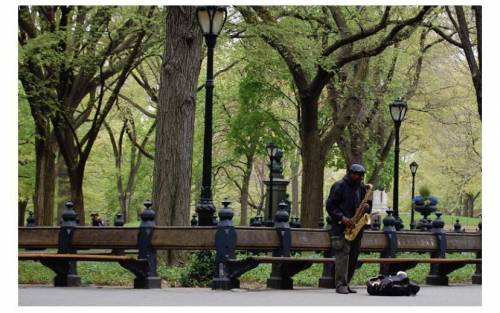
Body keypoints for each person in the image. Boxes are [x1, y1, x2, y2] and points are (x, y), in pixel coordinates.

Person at [326, 164, 372, 294]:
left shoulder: (361, 188)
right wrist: (343, 218)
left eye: (362, 175)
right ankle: (340, 284)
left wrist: (367, 207)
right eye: (358, 175)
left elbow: (365, 204)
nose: (360, 178)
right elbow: (330, 206)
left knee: (353, 256)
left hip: (356, 228)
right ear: (350, 173)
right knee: (343, 256)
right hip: (342, 228)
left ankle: (347, 283)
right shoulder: (339, 186)